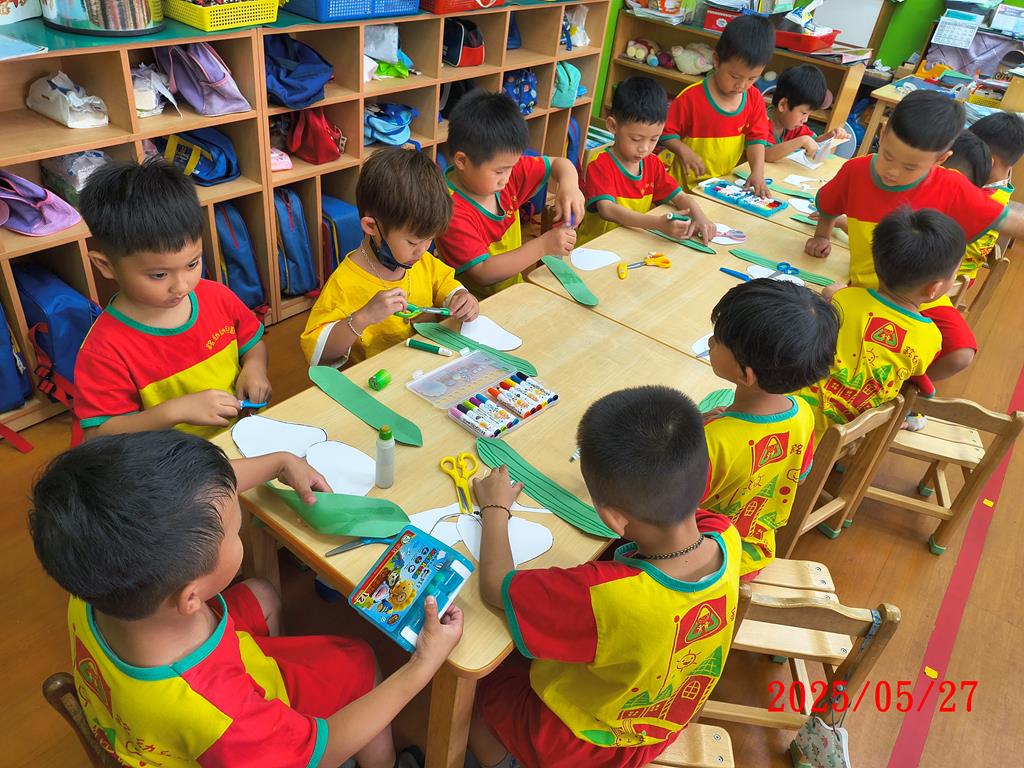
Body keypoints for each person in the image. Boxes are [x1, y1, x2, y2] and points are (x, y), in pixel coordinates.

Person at [29, 431, 463, 768]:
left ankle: (283, 706)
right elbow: (319, 751)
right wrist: (422, 666)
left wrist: (280, 461)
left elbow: (196, 500)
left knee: (262, 593)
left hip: (153, 709)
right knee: (360, 662)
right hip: (226, 729)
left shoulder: (96, 573)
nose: (238, 530)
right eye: (235, 532)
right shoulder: (220, 713)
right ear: (191, 597)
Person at [467, 386, 742, 768]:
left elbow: (496, 587)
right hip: (658, 722)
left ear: (613, 517)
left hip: (580, 744)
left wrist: (495, 508)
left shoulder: (603, 594)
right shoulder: (727, 536)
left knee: (479, 677)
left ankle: (502, 760)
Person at [806, 91, 1024, 380]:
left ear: (941, 159)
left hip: (924, 297)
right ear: (883, 133)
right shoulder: (856, 171)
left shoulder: (951, 186)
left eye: (911, 167)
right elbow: (829, 204)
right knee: (826, 345)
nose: (893, 172)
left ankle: (899, 384)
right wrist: (822, 235)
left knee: (960, 354)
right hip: (866, 292)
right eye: (888, 156)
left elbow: (1011, 222)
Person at [74, 159, 270, 439]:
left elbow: (251, 342)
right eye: (159, 275)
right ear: (105, 265)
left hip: (237, 438)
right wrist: (173, 412)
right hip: (172, 459)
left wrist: (255, 367)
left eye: (192, 264)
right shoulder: (104, 350)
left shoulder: (217, 296)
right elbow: (99, 434)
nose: (182, 286)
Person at [703, 279, 839, 579]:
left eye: (718, 339)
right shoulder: (802, 412)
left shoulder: (712, 441)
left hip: (707, 564)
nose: (711, 342)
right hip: (756, 551)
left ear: (746, 375)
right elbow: (799, 476)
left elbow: (666, 515)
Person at [301, 147, 479, 368]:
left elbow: (446, 283)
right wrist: (364, 317)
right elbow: (318, 354)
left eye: (430, 239)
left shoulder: (421, 261)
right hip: (377, 380)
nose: (423, 250)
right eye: (412, 242)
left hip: (424, 367)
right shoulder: (343, 284)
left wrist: (461, 297)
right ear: (371, 226)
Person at [796, 207, 963, 438]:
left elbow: (833, 298)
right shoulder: (930, 337)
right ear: (934, 288)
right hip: (850, 435)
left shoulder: (845, 299)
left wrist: (833, 293)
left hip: (795, 419)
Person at [437, 90, 586, 297]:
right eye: (500, 171)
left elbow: (559, 164)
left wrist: (570, 186)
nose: (507, 178)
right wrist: (543, 245)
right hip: (475, 306)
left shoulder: (504, 172)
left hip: (513, 292)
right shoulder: (449, 210)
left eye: (511, 167)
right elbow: (483, 273)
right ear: (462, 161)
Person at [578, 76, 715, 244]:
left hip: (632, 243)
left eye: (654, 139)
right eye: (636, 139)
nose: (644, 148)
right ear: (613, 126)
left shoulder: (652, 164)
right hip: (597, 248)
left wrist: (700, 217)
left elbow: (680, 197)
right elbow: (608, 210)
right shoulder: (600, 165)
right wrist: (656, 223)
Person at [660, 14, 774, 196]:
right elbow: (665, 133)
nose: (742, 85)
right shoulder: (691, 98)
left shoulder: (754, 99)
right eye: (735, 76)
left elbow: (756, 140)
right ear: (716, 60)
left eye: (752, 79)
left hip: (722, 189)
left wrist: (757, 173)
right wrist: (683, 151)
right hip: (684, 191)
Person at [764, 64, 851, 162]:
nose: (805, 120)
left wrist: (831, 135)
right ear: (783, 105)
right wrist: (802, 141)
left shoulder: (791, 125)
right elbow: (765, 155)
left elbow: (814, 142)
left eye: (809, 114)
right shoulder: (762, 122)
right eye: (804, 113)